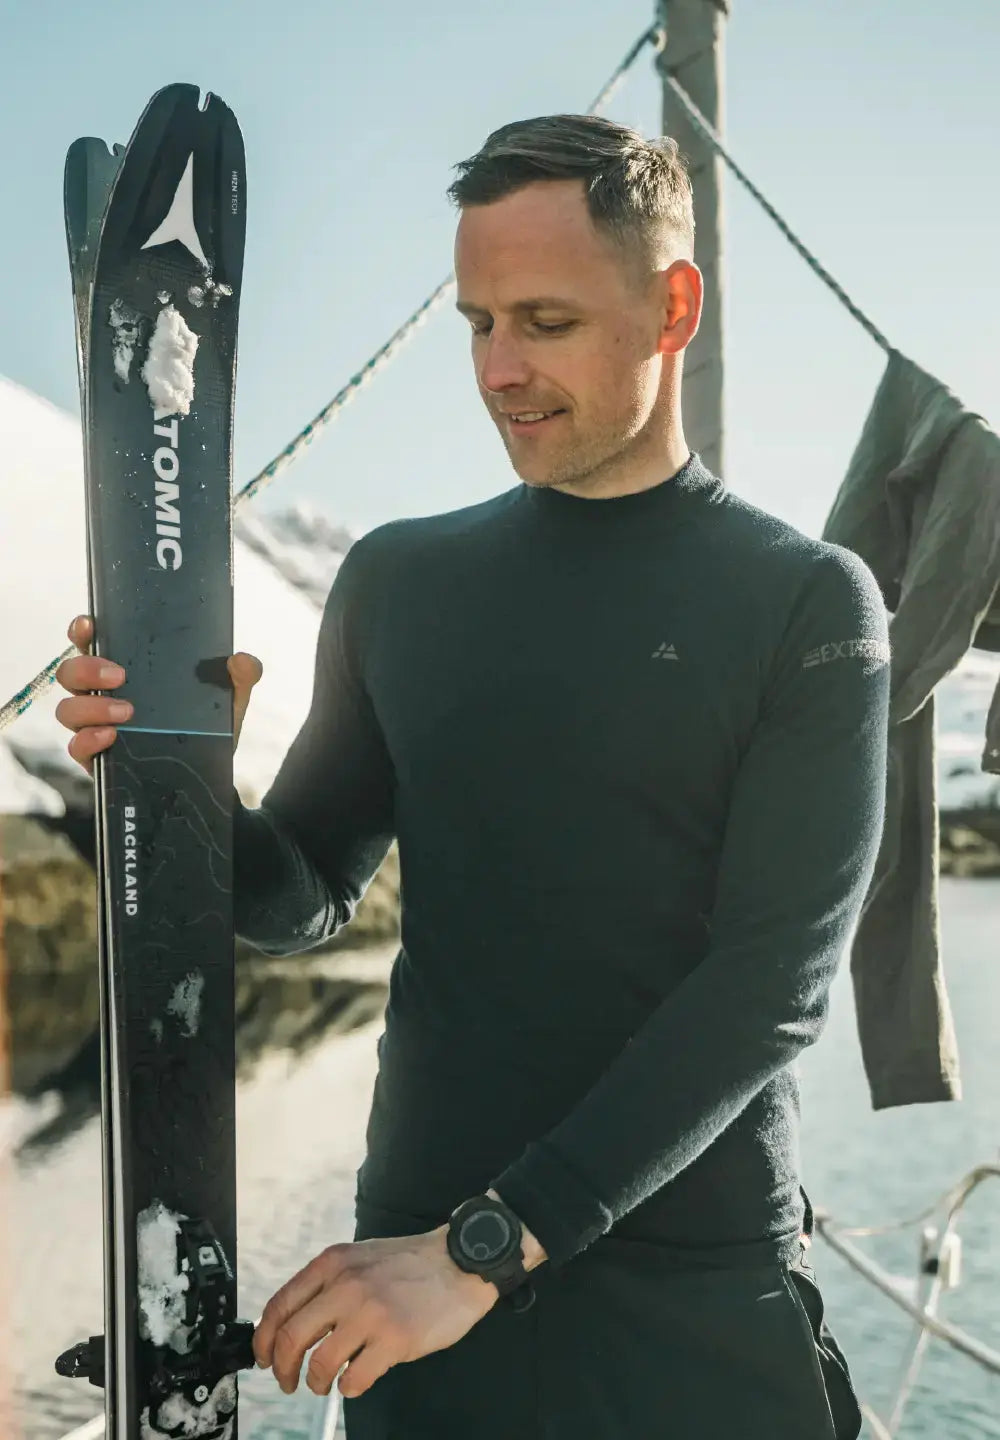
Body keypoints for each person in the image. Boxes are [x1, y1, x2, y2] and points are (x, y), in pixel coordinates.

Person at [55, 114, 889, 1439]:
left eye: (545, 321)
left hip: (681, 1296)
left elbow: (771, 987)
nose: (499, 369)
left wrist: (484, 1251)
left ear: (672, 305)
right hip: (417, 1300)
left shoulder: (803, 602)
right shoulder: (402, 581)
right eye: (476, 322)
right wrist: (171, 782)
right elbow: (309, 890)